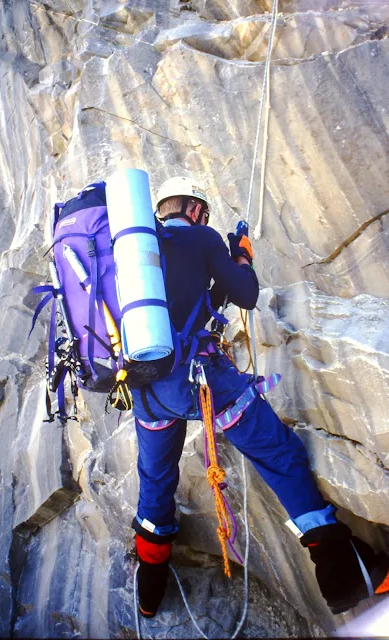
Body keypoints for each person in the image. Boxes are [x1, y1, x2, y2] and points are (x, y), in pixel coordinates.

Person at [129, 176, 389, 618]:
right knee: (280, 455)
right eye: (203, 213)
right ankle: (344, 575)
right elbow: (246, 295)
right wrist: (242, 259)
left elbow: (202, 302)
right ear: (194, 208)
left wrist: (227, 263)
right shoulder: (201, 237)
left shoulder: (142, 250)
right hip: (200, 381)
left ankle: (149, 589)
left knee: (155, 480)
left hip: (146, 390)